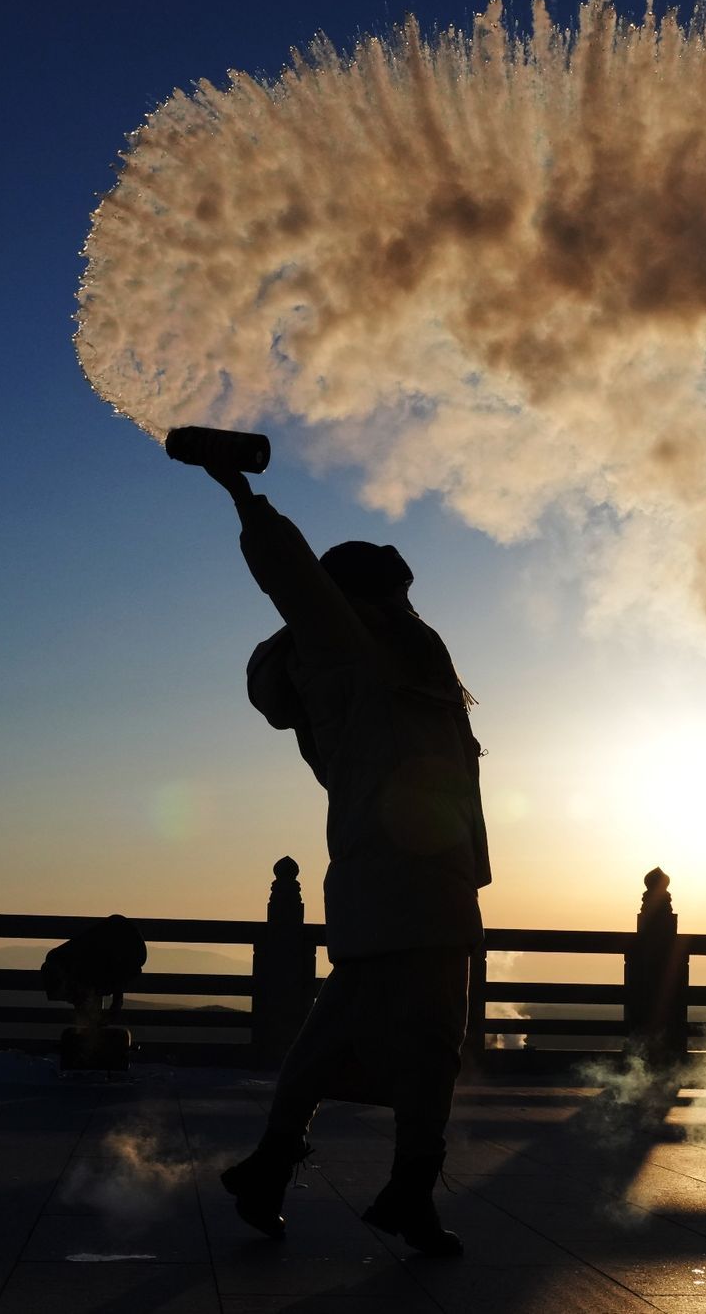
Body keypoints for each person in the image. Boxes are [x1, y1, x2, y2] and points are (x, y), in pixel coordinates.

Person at [203, 465, 489, 1257]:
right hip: (408, 883)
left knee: (337, 1035)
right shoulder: (353, 654)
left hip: (402, 881)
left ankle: (271, 1166)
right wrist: (244, 496)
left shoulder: (390, 664)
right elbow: (295, 579)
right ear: (365, 598)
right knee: (433, 1044)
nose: (408, 605)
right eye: (394, 592)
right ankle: (409, 1192)